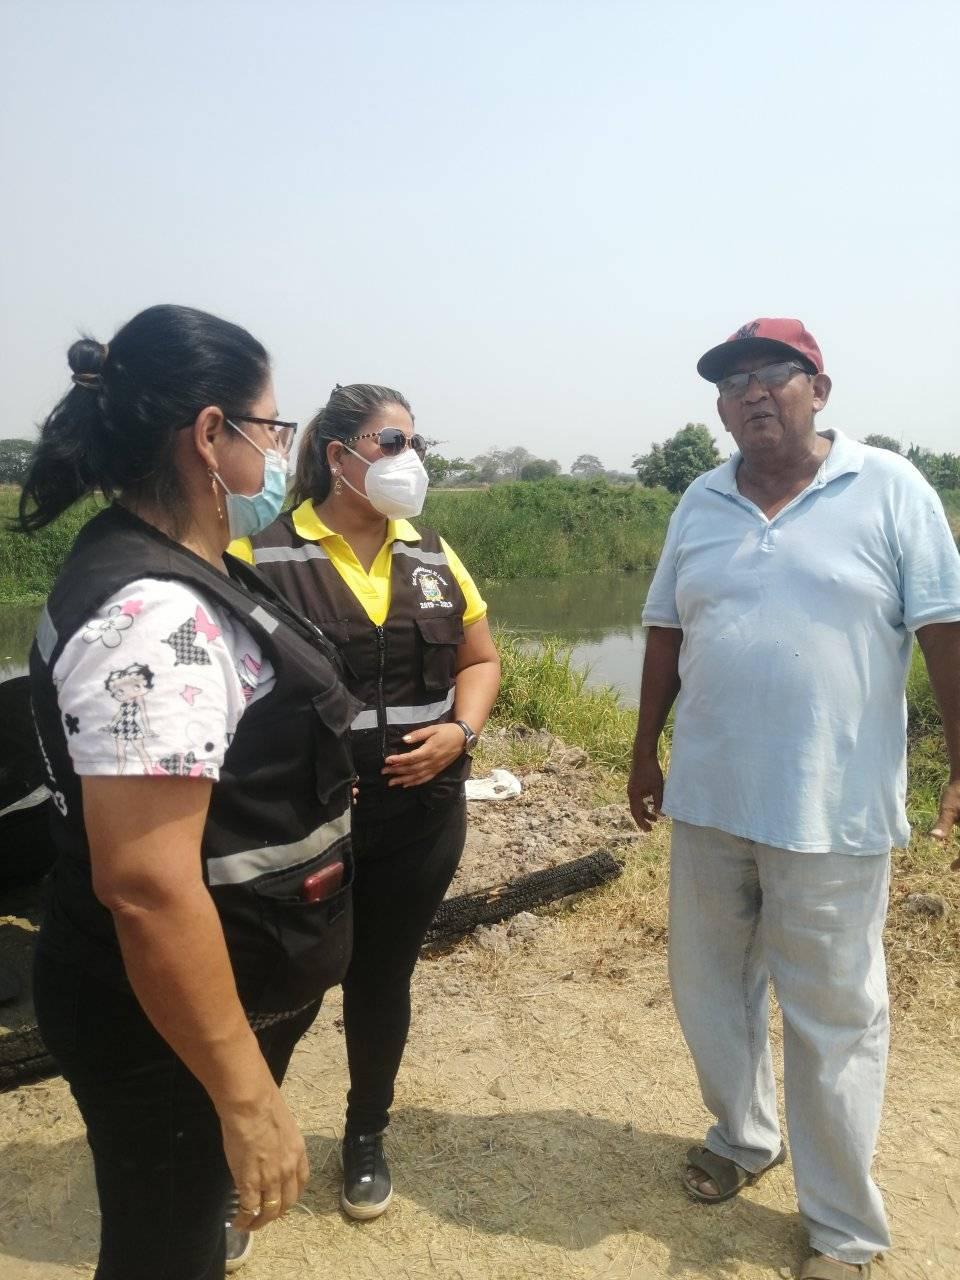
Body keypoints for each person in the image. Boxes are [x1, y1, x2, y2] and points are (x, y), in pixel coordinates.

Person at [19, 305, 359, 1279]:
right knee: (161, 1254)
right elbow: (147, 885)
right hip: (156, 1021)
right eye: (273, 428)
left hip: (199, 997)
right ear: (211, 434)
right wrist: (245, 1095)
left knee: (184, 1231)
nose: (281, 455)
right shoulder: (155, 622)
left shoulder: (178, 563)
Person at [627, 319, 960, 1280]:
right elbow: (664, 629)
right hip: (710, 796)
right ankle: (743, 1137)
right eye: (733, 381)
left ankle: (843, 1229)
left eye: (774, 372)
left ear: (820, 388)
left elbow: (944, 629)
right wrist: (645, 751)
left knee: (835, 1019)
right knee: (710, 989)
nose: (752, 392)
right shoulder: (700, 498)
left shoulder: (889, 486)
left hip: (833, 809)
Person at [231, 382, 500, 1220]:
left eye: (415, 443)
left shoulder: (433, 553)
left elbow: (481, 660)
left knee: (382, 981)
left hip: (421, 819)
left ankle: (366, 1135)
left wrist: (461, 732)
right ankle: (239, 1154)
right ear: (339, 455)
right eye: (391, 442)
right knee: (289, 986)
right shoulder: (261, 558)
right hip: (311, 828)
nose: (408, 459)